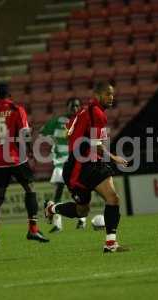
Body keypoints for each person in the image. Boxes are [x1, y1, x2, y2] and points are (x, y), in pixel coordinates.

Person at [45, 82, 129, 253]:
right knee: (82, 211)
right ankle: (52, 208)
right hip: (79, 168)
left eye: (112, 94)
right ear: (97, 95)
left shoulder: (84, 111)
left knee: (113, 198)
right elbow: (95, 143)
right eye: (107, 94)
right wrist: (114, 158)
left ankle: (110, 244)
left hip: (89, 163)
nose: (111, 98)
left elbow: (70, 130)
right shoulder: (96, 113)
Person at [0, 82, 49, 248]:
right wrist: (30, 151)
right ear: (9, 95)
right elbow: (25, 134)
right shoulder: (17, 110)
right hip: (16, 158)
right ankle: (33, 229)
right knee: (30, 188)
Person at [40, 97, 86, 233]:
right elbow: (43, 131)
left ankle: (82, 221)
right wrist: (53, 138)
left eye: (77, 106)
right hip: (61, 163)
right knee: (59, 192)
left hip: (76, 162)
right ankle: (58, 224)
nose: (75, 109)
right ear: (67, 107)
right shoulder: (58, 121)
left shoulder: (82, 121)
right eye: (72, 106)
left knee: (78, 192)